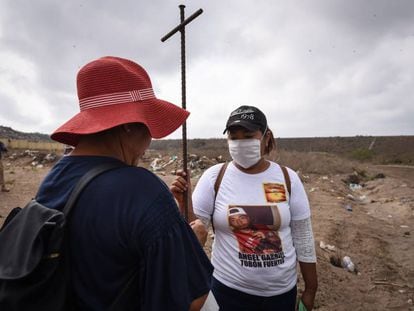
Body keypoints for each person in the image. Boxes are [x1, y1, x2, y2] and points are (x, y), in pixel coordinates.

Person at [36, 56, 213, 311]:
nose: (149, 140)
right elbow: (193, 300)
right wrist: (192, 244)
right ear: (129, 125)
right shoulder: (143, 191)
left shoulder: (55, 179)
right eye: (148, 125)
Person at [171, 105, 318, 311]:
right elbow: (195, 232)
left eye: (248, 136)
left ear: (266, 137)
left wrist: (311, 289)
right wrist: (184, 205)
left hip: (281, 296)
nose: (240, 143)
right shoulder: (214, 177)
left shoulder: (288, 178)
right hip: (227, 292)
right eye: (234, 137)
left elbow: (303, 236)